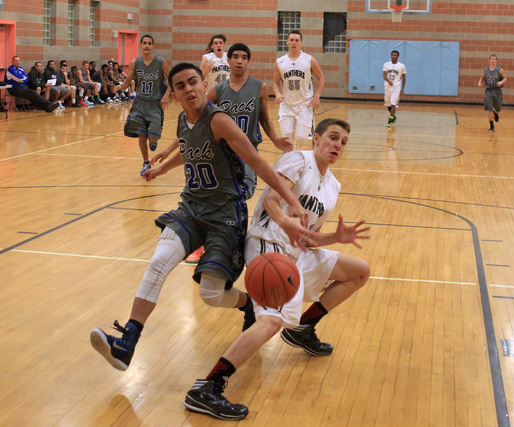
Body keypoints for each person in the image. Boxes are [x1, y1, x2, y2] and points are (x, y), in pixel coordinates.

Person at [90, 62, 315, 374]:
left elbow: (257, 161)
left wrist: (293, 201)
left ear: (203, 83)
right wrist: (162, 168)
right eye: (180, 86)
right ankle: (127, 343)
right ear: (175, 94)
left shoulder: (219, 120)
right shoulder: (184, 120)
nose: (189, 89)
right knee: (158, 263)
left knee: (211, 295)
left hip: (225, 214)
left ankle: (247, 303)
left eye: (193, 82)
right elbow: (187, 148)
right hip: (191, 208)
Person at [183, 118, 371, 420]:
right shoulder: (298, 160)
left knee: (360, 270)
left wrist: (335, 238)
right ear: (315, 139)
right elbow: (271, 199)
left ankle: (303, 327)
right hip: (268, 245)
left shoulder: (333, 186)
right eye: (333, 138)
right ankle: (208, 386)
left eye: (344, 142)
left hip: (297, 252)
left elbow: (308, 239)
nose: (338, 145)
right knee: (271, 321)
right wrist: (285, 221)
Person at [155, 43, 295, 265]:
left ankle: (229, 237)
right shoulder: (218, 89)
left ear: (249, 61)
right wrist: (168, 150)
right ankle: (205, 241)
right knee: (214, 194)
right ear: (228, 61)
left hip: (246, 154)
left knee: (239, 193)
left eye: (243, 57)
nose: (239, 61)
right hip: (217, 154)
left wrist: (276, 140)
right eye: (235, 57)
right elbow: (195, 123)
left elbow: (265, 119)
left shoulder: (259, 87)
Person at [114, 34, 172, 175]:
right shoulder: (135, 63)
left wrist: (166, 95)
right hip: (140, 103)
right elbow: (128, 81)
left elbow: (171, 80)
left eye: (149, 43)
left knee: (152, 137)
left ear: (153, 45)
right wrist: (120, 87)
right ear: (140, 45)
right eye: (144, 43)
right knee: (141, 135)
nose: (146, 45)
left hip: (154, 104)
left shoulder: (160, 62)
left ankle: (153, 140)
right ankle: (146, 163)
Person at [273, 30, 325, 146]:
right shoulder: (280, 62)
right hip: (286, 105)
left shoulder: (309, 60)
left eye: (297, 40)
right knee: (286, 139)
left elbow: (321, 78)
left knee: (301, 139)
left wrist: (317, 96)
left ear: (301, 43)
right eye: (291, 40)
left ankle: (297, 158)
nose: (294, 43)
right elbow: (275, 83)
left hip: (304, 105)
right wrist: (277, 94)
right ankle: (290, 162)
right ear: (287, 42)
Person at [477, 54, 507, 133]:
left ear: (496, 61)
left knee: (498, 108)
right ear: (489, 60)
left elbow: (505, 78)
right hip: (488, 91)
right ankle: (491, 125)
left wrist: (501, 82)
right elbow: (482, 78)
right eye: (491, 59)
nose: (493, 60)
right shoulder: (486, 70)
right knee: (489, 108)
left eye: (494, 59)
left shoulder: (500, 69)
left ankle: (496, 113)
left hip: (497, 91)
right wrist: (480, 82)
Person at [382, 50, 406, 128]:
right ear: (391, 56)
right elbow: (384, 75)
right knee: (388, 104)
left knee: (393, 103)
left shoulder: (401, 66)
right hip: (387, 86)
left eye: (395, 55)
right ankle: (393, 117)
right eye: (393, 55)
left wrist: (403, 88)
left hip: (396, 86)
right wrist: (388, 81)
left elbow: (404, 77)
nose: (394, 56)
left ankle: (390, 120)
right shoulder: (386, 64)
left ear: (398, 56)